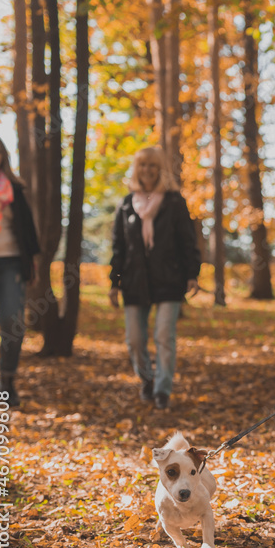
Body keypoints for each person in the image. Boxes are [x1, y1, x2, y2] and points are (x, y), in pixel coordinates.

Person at [109, 146, 200, 410]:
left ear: (160, 169)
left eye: (152, 165)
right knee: (135, 339)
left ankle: (162, 389)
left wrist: (192, 274)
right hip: (134, 280)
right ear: (137, 169)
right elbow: (118, 248)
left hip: (169, 279)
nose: (147, 170)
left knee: (163, 335)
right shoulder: (127, 204)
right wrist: (114, 282)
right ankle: (146, 379)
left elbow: (187, 241)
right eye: (143, 165)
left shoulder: (174, 201)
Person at [0, 132, 40, 409]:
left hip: (11, 263)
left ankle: (7, 381)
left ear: (3, 156)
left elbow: (28, 229)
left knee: (12, 321)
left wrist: (33, 262)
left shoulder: (14, 189)